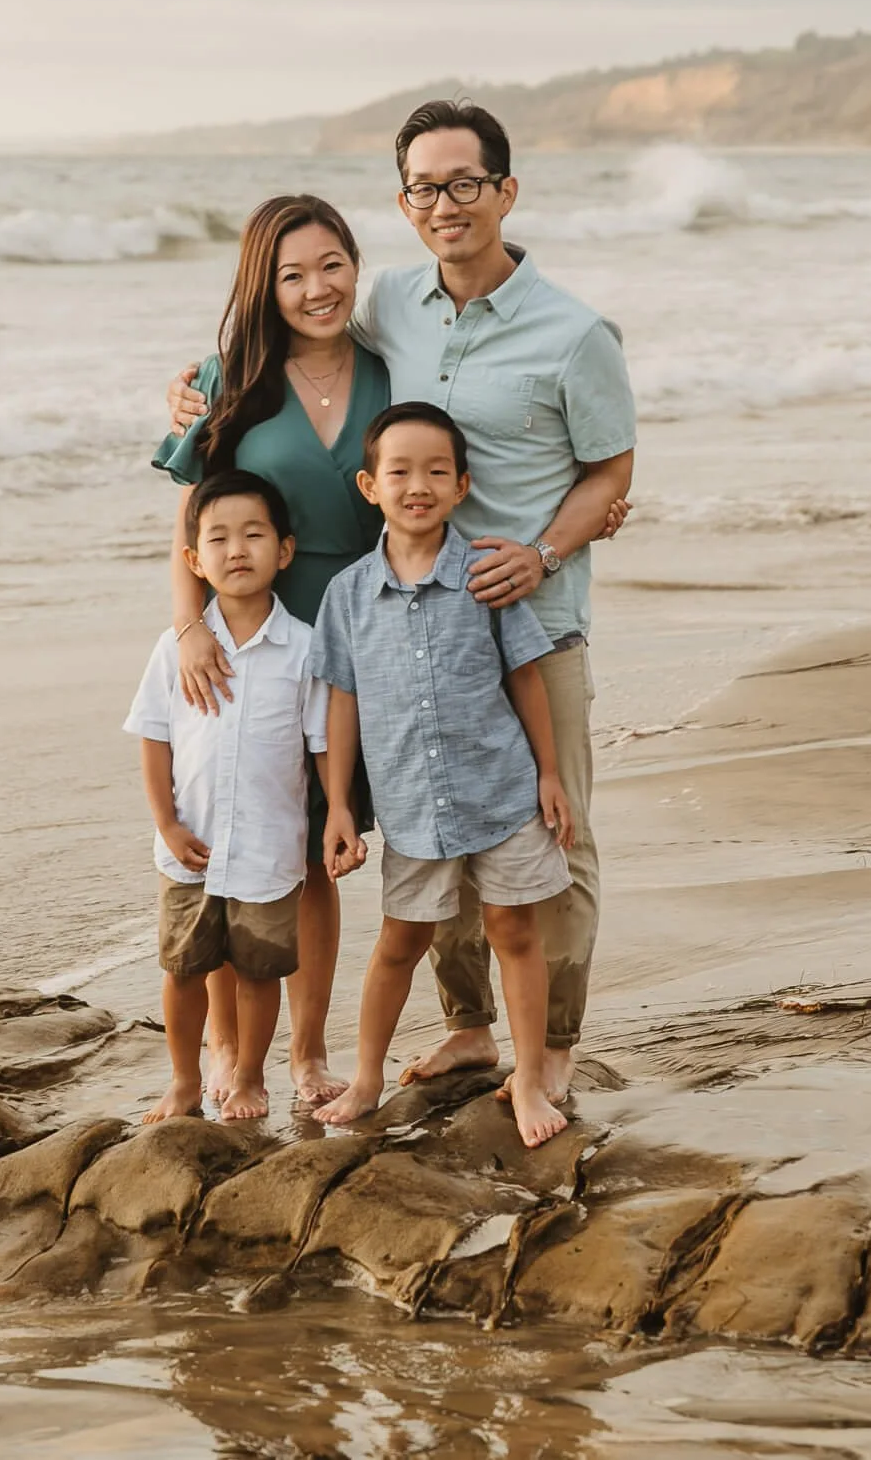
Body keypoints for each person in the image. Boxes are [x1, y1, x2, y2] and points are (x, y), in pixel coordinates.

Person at [170, 101, 635, 1104]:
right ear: (404, 202)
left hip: (530, 614)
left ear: (506, 192)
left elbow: (612, 469)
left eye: (465, 182)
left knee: (551, 831)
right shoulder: (392, 305)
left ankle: (548, 1045)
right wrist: (195, 387)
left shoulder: (574, 330)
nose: (445, 203)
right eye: (425, 187)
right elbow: (286, 334)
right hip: (396, 621)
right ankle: (468, 1027)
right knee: (430, 818)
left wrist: (552, 547)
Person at [150, 195, 390, 1108]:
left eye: (332, 265)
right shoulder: (228, 376)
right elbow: (191, 515)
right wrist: (189, 629)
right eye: (292, 273)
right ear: (265, 284)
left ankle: (307, 1052)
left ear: (355, 265)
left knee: (317, 851)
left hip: (360, 641)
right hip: (244, 640)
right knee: (231, 843)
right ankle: (221, 1042)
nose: (316, 288)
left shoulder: (390, 364)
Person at [310, 404, 574, 1148]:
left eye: (435, 472)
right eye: (399, 471)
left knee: (513, 930)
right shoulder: (350, 595)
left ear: (462, 485)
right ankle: (365, 1075)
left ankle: (526, 1077)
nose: (416, 485)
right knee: (401, 938)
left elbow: (526, 676)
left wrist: (549, 774)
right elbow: (341, 701)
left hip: (501, 790)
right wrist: (337, 804)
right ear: (370, 485)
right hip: (410, 805)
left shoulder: (485, 574)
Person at [122, 471, 332, 1122]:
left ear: (285, 551)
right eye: (218, 538)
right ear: (194, 559)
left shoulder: (303, 649)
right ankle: (186, 1079)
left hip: (270, 851)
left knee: (259, 971)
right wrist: (166, 824)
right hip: (190, 847)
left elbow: (322, 746)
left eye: (253, 535)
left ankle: (248, 1074)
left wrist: (338, 817)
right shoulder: (174, 649)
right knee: (184, 968)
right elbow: (153, 739)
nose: (236, 548)